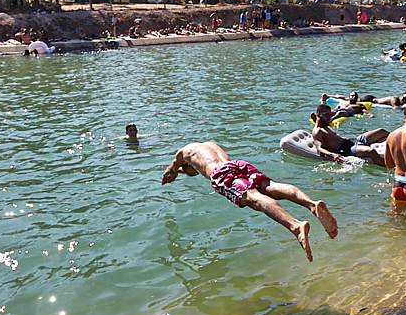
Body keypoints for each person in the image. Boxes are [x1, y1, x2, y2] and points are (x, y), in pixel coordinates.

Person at [161, 141, 338, 262]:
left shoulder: (182, 154)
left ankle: (295, 226)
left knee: (254, 199)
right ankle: (312, 205)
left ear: (186, 164)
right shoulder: (208, 145)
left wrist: (168, 175)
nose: (195, 174)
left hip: (220, 173)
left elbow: (171, 170)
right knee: (271, 187)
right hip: (237, 165)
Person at [310, 104, 389, 166]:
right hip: (347, 149)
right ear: (318, 114)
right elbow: (319, 149)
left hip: (353, 141)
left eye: (330, 115)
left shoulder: (326, 126)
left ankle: (399, 139)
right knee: (371, 151)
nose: (330, 118)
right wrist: (333, 155)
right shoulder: (317, 131)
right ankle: (390, 166)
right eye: (327, 115)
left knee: (381, 131)